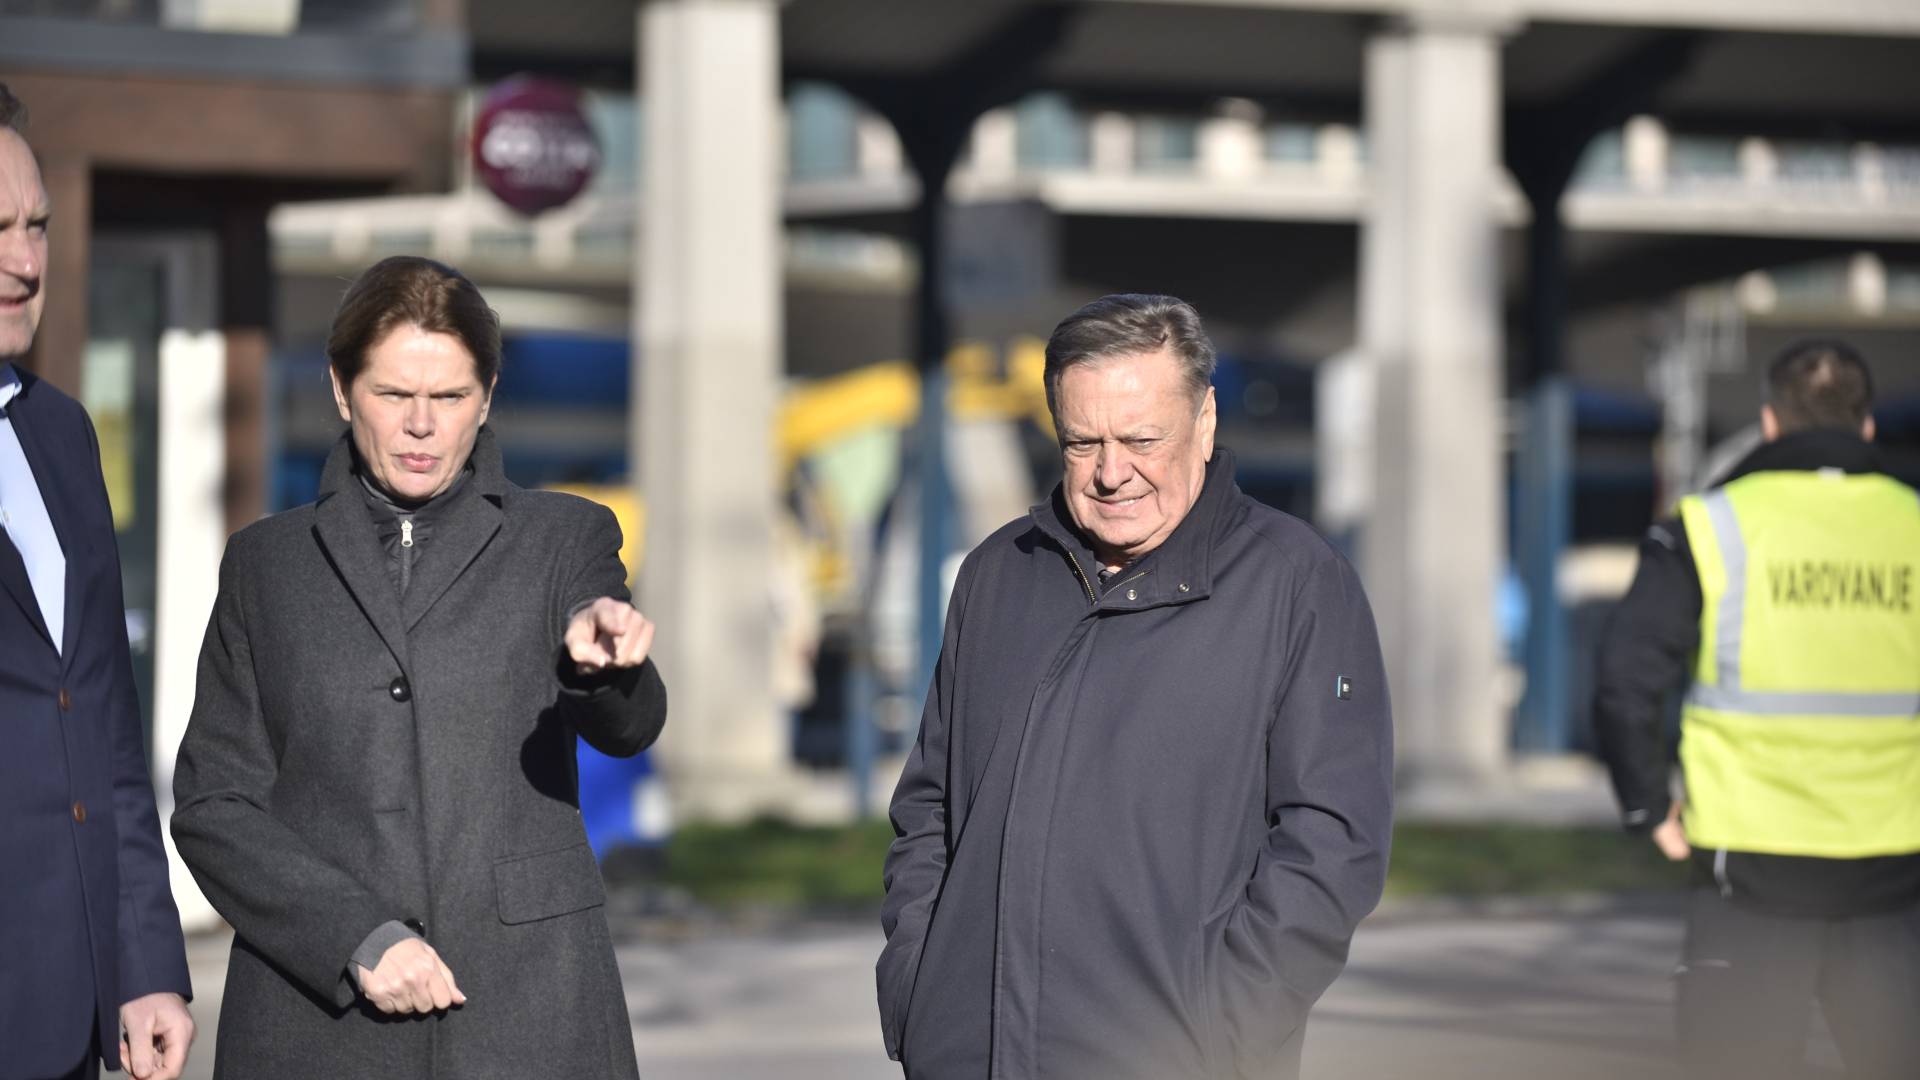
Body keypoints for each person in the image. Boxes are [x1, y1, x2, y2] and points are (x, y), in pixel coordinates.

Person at [170, 255, 667, 1078]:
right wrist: (353, 938)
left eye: (451, 397)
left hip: (529, 1013)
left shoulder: (564, 540)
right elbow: (214, 804)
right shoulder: (266, 566)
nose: (422, 426)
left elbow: (630, 727)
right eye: (395, 394)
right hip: (314, 1021)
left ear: (489, 396)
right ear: (342, 390)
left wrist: (601, 668)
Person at [877, 294, 1393, 1079]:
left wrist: (1224, 1034)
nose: (1112, 473)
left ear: (1205, 420)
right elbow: (930, 810)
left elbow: (1332, 845)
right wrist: (920, 994)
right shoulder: (996, 575)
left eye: (1141, 439)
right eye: (1083, 443)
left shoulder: (1297, 584)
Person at [1595, 339, 1920, 1080]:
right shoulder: (1913, 525)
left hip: (1746, 875)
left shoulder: (1708, 528)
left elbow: (1624, 677)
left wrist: (1648, 805)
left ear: (1770, 422)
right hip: (1896, 876)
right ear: (1867, 425)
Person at [0, 83, 196, 1080]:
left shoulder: (62, 433)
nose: (26, 262)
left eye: (36, 226)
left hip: (68, 1017)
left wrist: (146, 963)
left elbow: (105, 727)